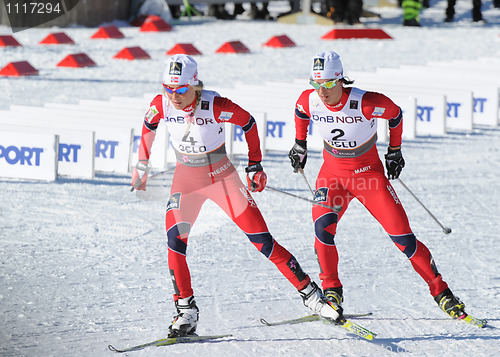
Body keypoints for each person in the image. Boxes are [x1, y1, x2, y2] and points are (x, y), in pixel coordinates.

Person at [132, 54, 342, 337]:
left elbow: (249, 123)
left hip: (222, 179)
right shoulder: (161, 104)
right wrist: (141, 165)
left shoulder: (215, 105)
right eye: (168, 89)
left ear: (194, 85)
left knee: (262, 241)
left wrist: (254, 165)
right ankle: (185, 311)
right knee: (174, 240)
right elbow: (148, 127)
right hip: (186, 180)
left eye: (181, 90)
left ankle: (312, 296)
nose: (174, 97)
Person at [288, 50, 472, 322]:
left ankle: (441, 292)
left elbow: (395, 114)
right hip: (332, 176)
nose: (322, 91)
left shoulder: (365, 102)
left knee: (402, 238)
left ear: (340, 80)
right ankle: (332, 291)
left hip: (368, 176)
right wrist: (299, 144)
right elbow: (300, 112)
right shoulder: (310, 99)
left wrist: (394, 151)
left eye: (327, 84)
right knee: (322, 229)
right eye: (316, 84)